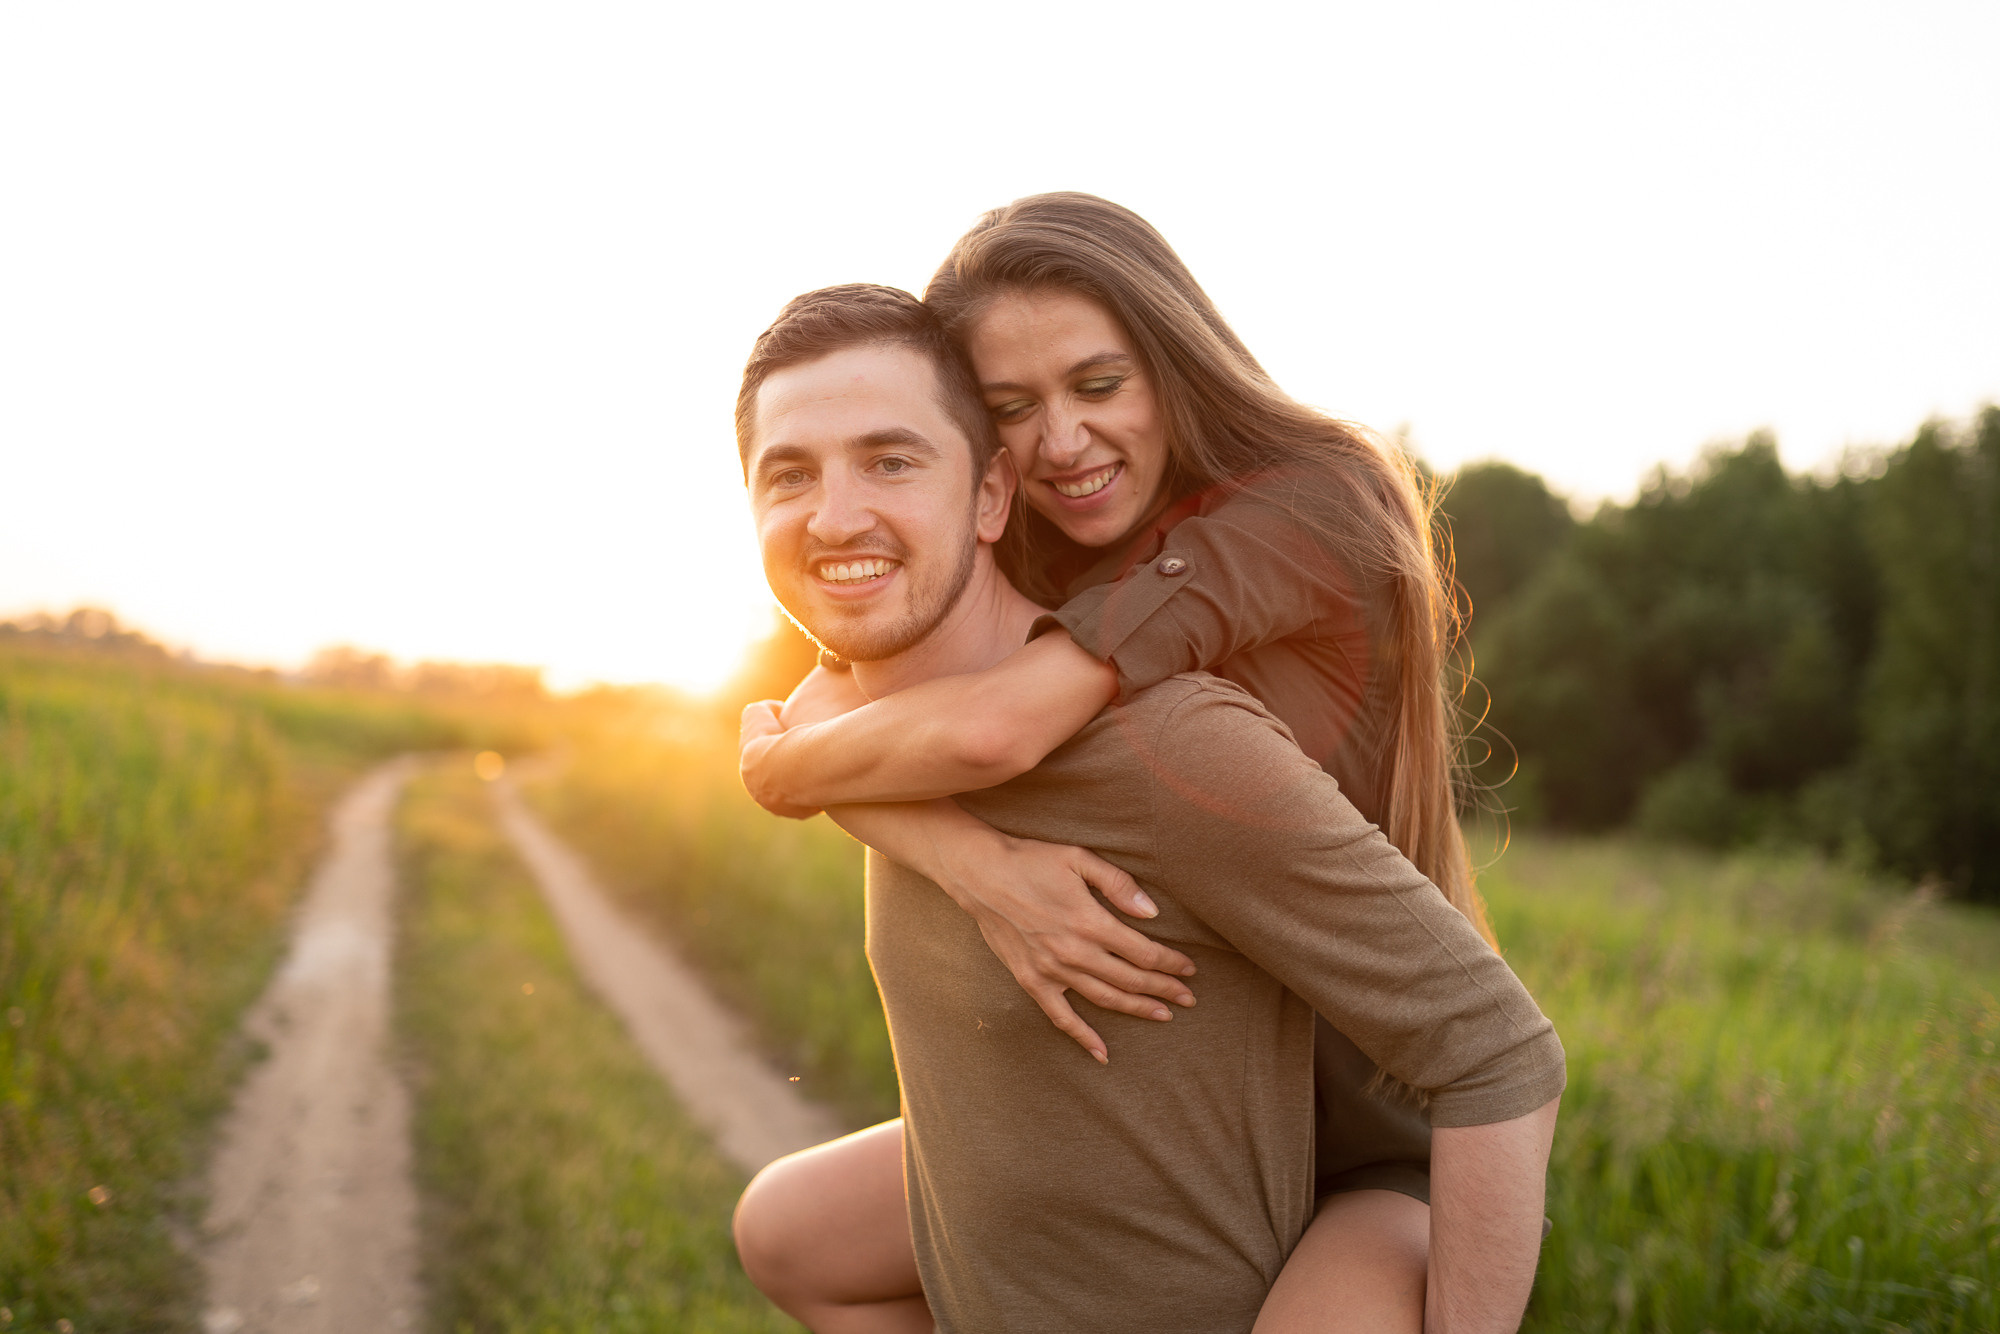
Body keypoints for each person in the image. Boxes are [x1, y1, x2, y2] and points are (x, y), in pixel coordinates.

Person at [729, 283, 1563, 1334]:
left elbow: (1496, 1047)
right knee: (784, 1228)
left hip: (1360, 1142)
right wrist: (976, 862)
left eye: (891, 460)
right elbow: (816, 719)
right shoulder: (883, 727)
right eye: (789, 474)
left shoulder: (1174, 729)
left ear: (989, 498)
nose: (835, 513)